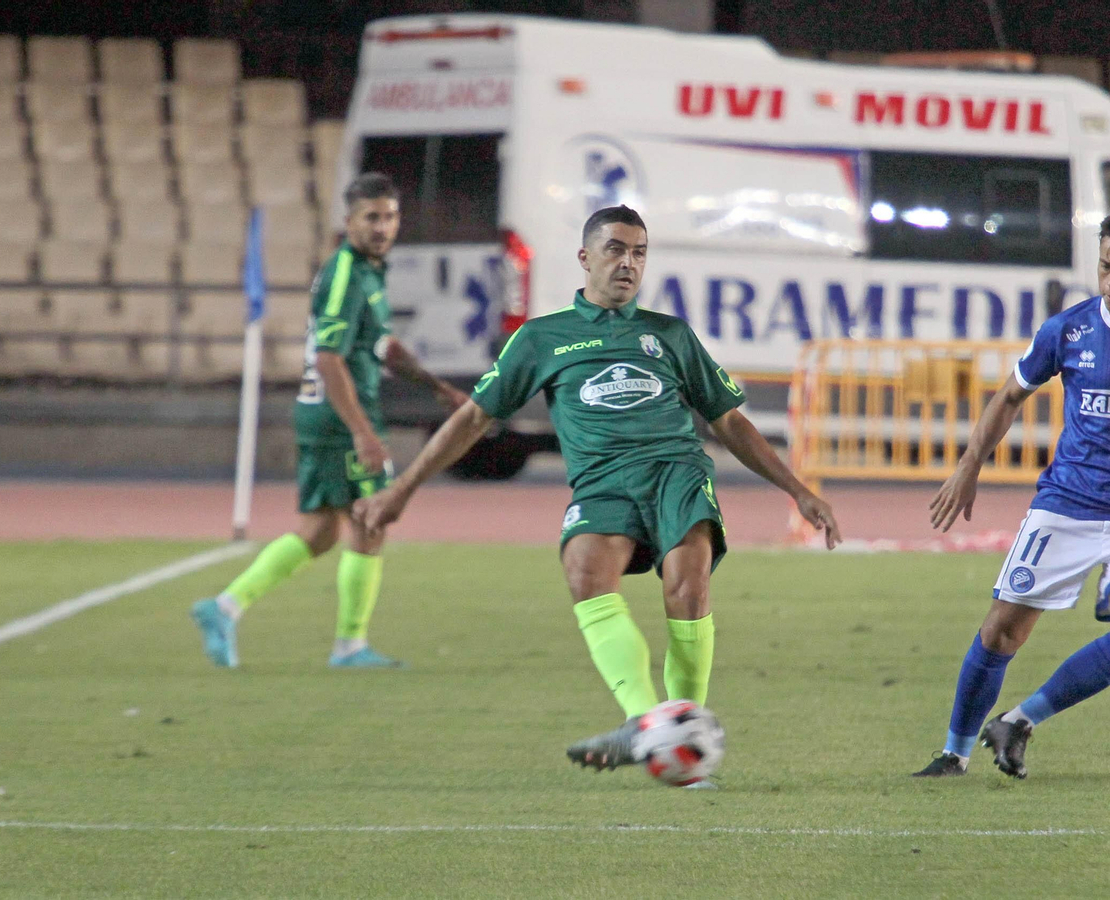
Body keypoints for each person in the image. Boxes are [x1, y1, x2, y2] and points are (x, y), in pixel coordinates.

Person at [353, 205, 841, 771]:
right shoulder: (541, 339)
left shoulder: (670, 336)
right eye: (615, 249)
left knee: (687, 588)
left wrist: (797, 489)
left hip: (674, 473)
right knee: (584, 569)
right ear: (585, 258)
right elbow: (472, 420)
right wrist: (403, 490)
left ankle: (683, 735)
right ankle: (649, 725)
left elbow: (729, 421)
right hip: (602, 483)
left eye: (638, 253)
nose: (628, 263)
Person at [912, 203, 1110, 779]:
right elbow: (1008, 396)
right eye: (1104, 268)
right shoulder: (1069, 329)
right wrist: (969, 466)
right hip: (1066, 504)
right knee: (1003, 629)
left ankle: (1020, 721)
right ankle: (954, 752)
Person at [190, 172, 470, 669]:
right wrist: (363, 433)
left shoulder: (369, 271)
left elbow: (382, 346)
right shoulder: (345, 274)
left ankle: (224, 607)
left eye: (389, 217)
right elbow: (328, 358)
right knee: (372, 519)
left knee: (319, 532)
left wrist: (436, 385)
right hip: (340, 418)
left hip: (332, 415)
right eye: (371, 218)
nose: (382, 227)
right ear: (349, 222)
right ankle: (349, 646)